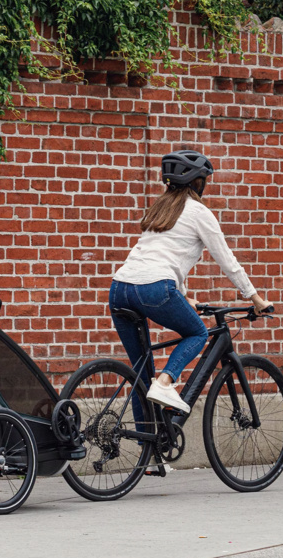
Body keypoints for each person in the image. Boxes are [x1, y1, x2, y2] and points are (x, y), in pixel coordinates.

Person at [110, 149, 272, 415]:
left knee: (141, 374)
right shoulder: (198, 212)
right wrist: (255, 298)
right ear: (198, 182)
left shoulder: (160, 209)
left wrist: (184, 297)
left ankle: (145, 440)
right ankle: (166, 382)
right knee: (197, 333)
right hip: (153, 289)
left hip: (119, 288)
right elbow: (227, 260)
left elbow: (166, 257)